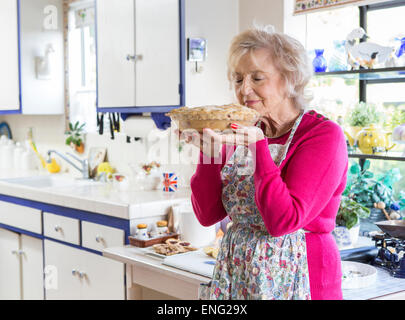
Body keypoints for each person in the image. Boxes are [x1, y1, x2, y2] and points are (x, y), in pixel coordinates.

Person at [183, 26, 348, 300]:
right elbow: (208, 215)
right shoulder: (241, 130)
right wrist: (209, 153)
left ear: (290, 80)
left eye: (257, 78)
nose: (244, 89)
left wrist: (258, 147)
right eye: (237, 79)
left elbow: (284, 220)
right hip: (238, 272)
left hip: (302, 276)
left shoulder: (322, 135)